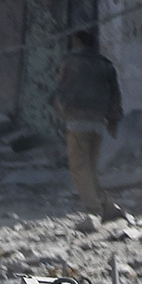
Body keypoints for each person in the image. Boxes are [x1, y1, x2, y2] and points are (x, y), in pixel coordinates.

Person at [55, 27, 123, 220]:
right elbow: (115, 95)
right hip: (99, 123)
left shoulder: (69, 61)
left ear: (77, 41)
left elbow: (61, 89)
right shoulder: (105, 64)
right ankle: (106, 205)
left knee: (79, 167)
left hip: (77, 121)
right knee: (91, 167)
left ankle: (94, 210)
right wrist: (113, 121)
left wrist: (61, 111)